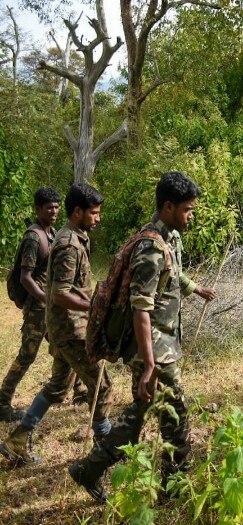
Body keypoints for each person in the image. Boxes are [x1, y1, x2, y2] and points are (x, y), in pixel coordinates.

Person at [70, 171, 217, 503]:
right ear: (168, 207)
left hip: (159, 344)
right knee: (175, 415)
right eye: (187, 210)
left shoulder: (169, 240)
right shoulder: (150, 248)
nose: (191, 216)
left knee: (139, 415)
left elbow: (174, 275)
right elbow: (140, 309)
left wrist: (195, 289)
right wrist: (149, 365)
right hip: (153, 348)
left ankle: (89, 469)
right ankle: (175, 488)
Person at [0, 183, 114, 466]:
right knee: (102, 385)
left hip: (67, 329)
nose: (98, 218)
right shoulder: (67, 245)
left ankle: (16, 441)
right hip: (70, 331)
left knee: (57, 387)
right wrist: (94, 305)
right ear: (78, 212)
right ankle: (104, 452)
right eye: (94, 213)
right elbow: (60, 294)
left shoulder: (70, 238)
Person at [0, 188, 88, 421]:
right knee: (27, 355)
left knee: (67, 346)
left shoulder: (53, 233)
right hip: (38, 308)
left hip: (50, 306)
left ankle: (80, 391)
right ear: (38, 209)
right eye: (49, 207)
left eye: (57, 206)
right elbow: (25, 277)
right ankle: (2, 401)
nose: (54, 211)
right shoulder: (33, 237)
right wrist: (45, 299)